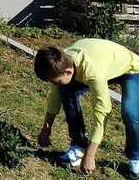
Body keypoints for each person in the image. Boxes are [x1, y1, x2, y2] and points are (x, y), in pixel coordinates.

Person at [34, 39, 139, 176]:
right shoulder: (59, 63)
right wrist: (46, 128)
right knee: (64, 91)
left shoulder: (93, 71)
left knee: (130, 113)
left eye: (56, 81)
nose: (55, 84)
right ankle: (78, 145)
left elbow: (102, 112)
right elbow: (54, 97)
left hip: (130, 70)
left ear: (68, 72)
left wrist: (90, 155)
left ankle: (135, 156)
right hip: (104, 63)